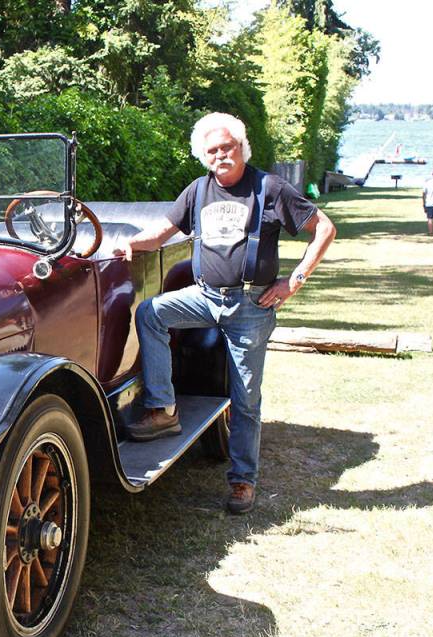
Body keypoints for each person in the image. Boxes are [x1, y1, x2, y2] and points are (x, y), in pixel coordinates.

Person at [123, 112, 336, 514]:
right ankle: (163, 409)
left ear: (242, 148)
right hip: (205, 297)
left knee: (246, 399)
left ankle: (242, 482)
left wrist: (294, 281)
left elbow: (324, 228)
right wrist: (130, 245)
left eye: (227, 147)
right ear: (203, 156)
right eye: (212, 150)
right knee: (151, 313)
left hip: (251, 307)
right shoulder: (198, 191)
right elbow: (161, 233)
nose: (221, 155)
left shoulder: (269, 188)